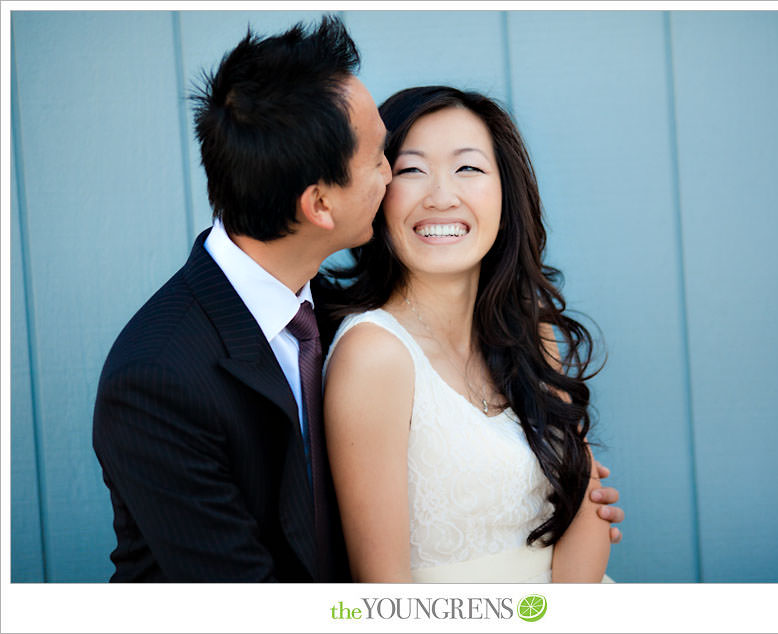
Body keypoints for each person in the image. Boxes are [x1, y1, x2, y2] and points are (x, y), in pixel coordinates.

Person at [92, 17, 623, 582]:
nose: (401, 180)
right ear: (320, 206)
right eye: (384, 161)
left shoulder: (316, 309)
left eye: (467, 167)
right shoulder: (159, 377)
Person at [323, 86, 614, 583]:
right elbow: (383, 592)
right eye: (412, 170)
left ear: (506, 192)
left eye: (469, 169)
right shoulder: (374, 355)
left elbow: (587, 502)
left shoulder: (531, 327)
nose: (441, 197)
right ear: (377, 189)